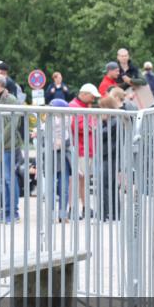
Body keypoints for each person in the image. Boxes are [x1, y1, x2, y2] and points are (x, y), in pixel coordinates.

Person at [0, 74, 23, 222]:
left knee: (8, 179)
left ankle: (13, 213)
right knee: (2, 180)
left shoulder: (11, 100)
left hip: (8, 147)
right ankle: (5, 211)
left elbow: (13, 124)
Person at [69, 83, 101, 217]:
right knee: (77, 180)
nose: (93, 100)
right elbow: (77, 126)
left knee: (83, 180)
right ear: (84, 94)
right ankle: (73, 208)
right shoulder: (74, 107)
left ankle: (84, 207)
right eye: (92, 97)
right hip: (81, 149)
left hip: (86, 149)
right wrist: (92, 124)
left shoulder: (83, 107)